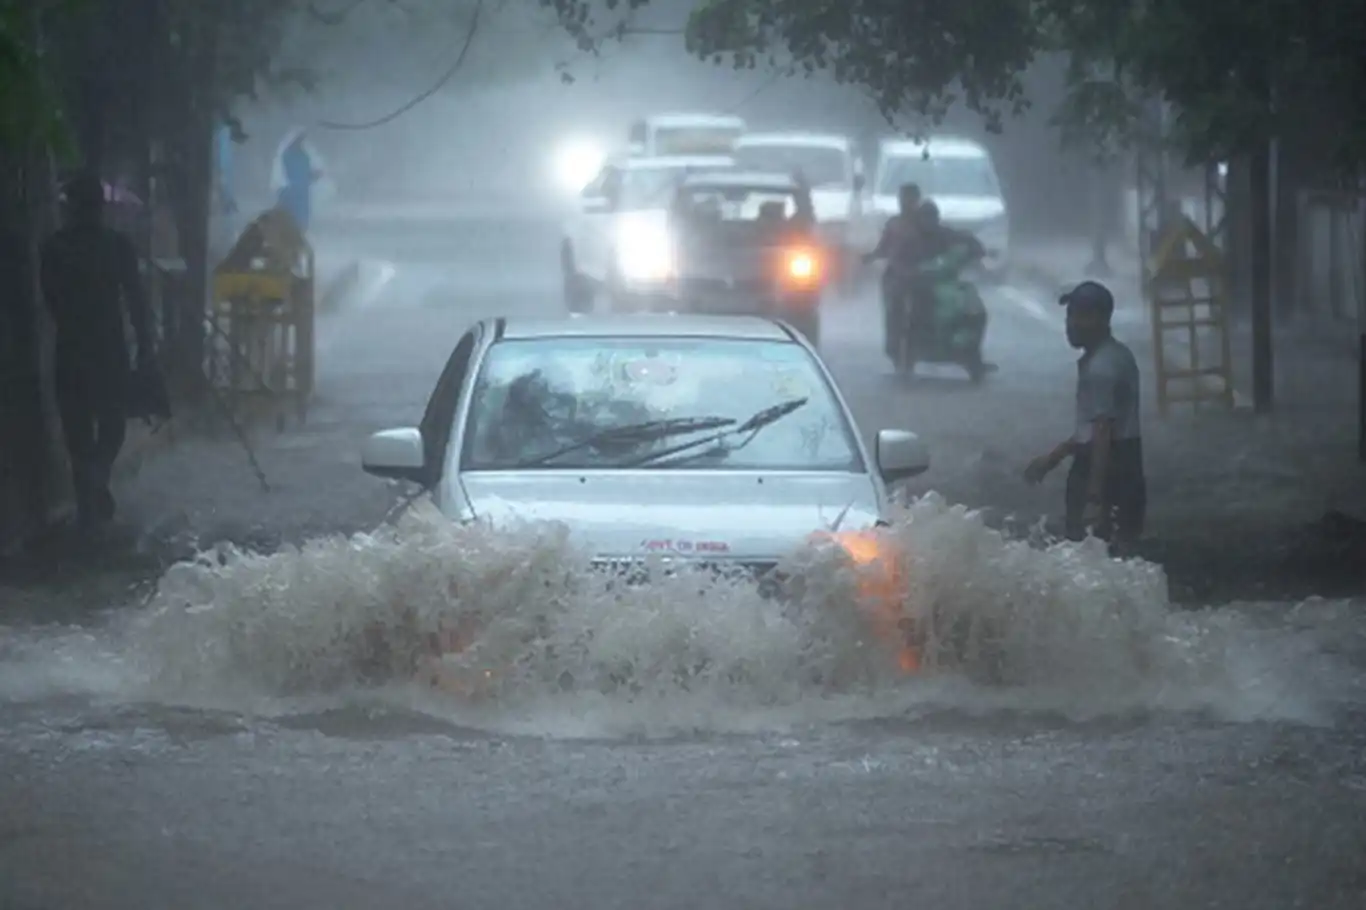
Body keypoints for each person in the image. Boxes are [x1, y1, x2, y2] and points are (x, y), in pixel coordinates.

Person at [40, 172, 155, 531]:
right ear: (100, 208)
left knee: (77, 430)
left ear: (72, 208)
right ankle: (96, 482)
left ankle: (89, 500)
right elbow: (136, 300)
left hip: (72, 346)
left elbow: (51, 300)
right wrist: (146, 346)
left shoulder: (54, 248)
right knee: (111, 425)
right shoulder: (117, 246)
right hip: (109, 348)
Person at [1023, 280, 1146, 554]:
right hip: (1125, 462)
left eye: (1080, 315)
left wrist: (1094, 496)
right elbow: (1092, 428)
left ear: (1101, 319)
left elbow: (1102, 433)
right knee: (1118, 552)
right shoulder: (1116, 355)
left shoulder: (1101, 368)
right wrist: (1053, 458)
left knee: (1088, 551)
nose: (1071, 324)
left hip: (1105, 468)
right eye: (1070, 315)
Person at [862, 183, 924, 358]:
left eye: (910, 198)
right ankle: (894, 348)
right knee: (893, 314)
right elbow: (884, 247)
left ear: (917, 200)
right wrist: (870, 257)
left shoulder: (925, 223)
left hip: (920, 275)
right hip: (895, 275)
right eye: (903, 198)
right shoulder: (893, 223)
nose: (905, 202)